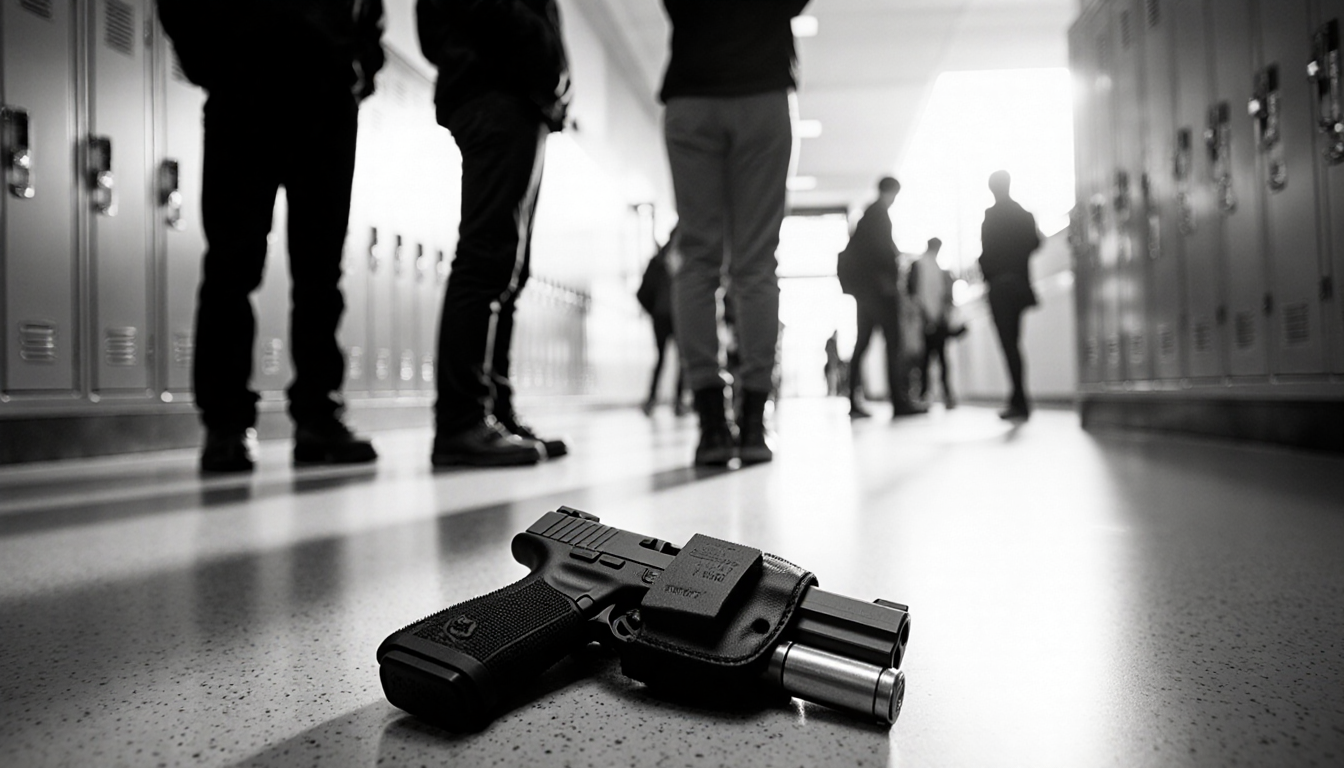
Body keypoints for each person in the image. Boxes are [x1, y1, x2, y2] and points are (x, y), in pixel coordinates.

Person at [158, 0, 384, 473]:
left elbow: (370, 10)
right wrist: (211, 60)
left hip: (327, 95)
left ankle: (318, 418)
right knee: (231, 265)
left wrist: (360, 64)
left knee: (320, 270)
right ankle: (225, 426)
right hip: (243, 87)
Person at [417, 0, 571, 467]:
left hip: (520, 99)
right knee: (487, 259)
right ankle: (463, 421)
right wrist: (545, 65)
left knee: (509, 269)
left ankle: (494, 411)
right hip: (498, 92)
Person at [660, 0, 809, 467]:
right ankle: (751, 423)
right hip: (762, 92)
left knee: (699, 259)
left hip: (692, 95)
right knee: (756, 263)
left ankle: (710, 428)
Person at [840, 176, 926, 420]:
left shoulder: (867, 215)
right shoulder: (879, 215)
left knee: (863, 343)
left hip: (867, 292)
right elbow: (881, 252)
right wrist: (895, 262)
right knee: (894, 342)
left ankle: (853, 401)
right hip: (881, 291)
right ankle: (900, 402)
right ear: (891, 192)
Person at [978, 170, 1041, 421]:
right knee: (1015, 342)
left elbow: (985, 254)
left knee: (1009, 345)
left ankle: (1019, 399)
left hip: (1001, 288)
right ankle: (1018, 398)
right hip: (1019, 284)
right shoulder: (1023, 214)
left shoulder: (990, 217)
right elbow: (1035, 243)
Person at [637, 229, 687, 416]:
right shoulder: (658, 263)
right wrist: (654, 311)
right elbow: (642, 292)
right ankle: (651, 399)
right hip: (661, 317)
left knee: (683, 360)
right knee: (661, 359)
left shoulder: (685, 261)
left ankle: (679, 401)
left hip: (679, 316)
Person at [907, 237, 959, 408]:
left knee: (935, 359)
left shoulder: (936, 268)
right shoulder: (924, 266)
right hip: (926, 320)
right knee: (930, 359)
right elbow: (914, 294)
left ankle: (937, 394)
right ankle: (928, 394)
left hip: (934, 320)